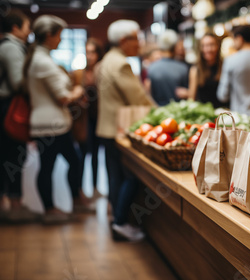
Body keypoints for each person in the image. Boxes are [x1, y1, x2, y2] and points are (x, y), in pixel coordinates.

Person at [25, 15, 89, 223]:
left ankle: (68, 202)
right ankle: (52, 209)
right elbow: (63, 97)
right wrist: (78, 90)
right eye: (59, 35)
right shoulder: (42, 61)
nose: (60, 40)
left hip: (49, 123)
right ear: (48, 36)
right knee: (63, 163)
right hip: (51, 124)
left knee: (60, 163)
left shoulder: (40, 58)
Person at [96, 19, 155, 241]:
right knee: (130, 176)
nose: (139, 43)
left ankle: (117, 219)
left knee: (114, 176)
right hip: (118, 130)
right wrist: (165, 114)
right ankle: (120, 222)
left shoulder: (107, 60)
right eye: (136, 37)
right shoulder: (121, 63)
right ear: (123, 40)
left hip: (107, 128)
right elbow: (138, 99)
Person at [0, 9, 37, 222]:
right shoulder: (11, 48)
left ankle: (6, 204)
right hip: (11, 107)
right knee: (14, 156)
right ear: (16, 27)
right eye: (27, 26)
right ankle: (13, 206)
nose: (29, 32)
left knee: (7, 156)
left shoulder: (8, 46)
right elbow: (19, 82)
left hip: (6, 106)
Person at [71, 38, 105, 201]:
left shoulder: (102, 72)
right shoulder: (79, 73)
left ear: (98, 54)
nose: (90, 56)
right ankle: (79, 190)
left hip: (99, 118)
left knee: (97, 155)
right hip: (83, 120)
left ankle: (95, 187)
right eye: (87, 52)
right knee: (82, 154)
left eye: (93, 52)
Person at [185, 33, 228, 109]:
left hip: (224, 113)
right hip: (204, 114)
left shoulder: (225, 66)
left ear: (217, 46)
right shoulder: (195, 70)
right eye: (204, 46)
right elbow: (191, 98)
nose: (208, 49)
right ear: (200, 48)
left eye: (212, 45)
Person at [147, 29, 189, 106]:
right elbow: (188, 95)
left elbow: (148, 93)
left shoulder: (151, 68)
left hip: (158, 113)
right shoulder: (183, 68)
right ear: (175, 46)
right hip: (179, 113)